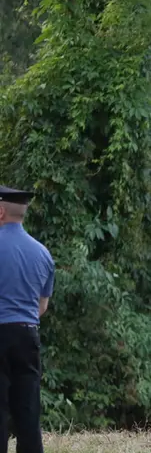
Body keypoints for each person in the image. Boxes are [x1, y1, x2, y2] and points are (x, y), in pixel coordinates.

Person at [0, 185, 54, 453]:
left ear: (0, 211)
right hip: (27, 335)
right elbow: (40, 307)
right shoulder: (42, 253)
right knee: (28, 410)